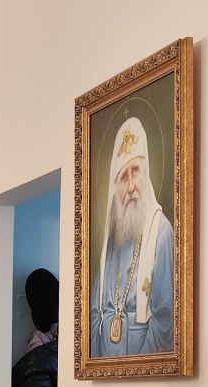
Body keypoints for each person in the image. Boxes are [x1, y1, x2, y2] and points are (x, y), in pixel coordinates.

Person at [90, 115, 174, 356]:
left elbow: (164, 318)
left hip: (140, 362)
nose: (130, 187)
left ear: (146, 173)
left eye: (134, 171)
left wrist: (135, 368)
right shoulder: (112, 241)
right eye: (123, 177)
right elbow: (95, 313)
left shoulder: (161, 232)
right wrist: (100, 364)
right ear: (115, 186)